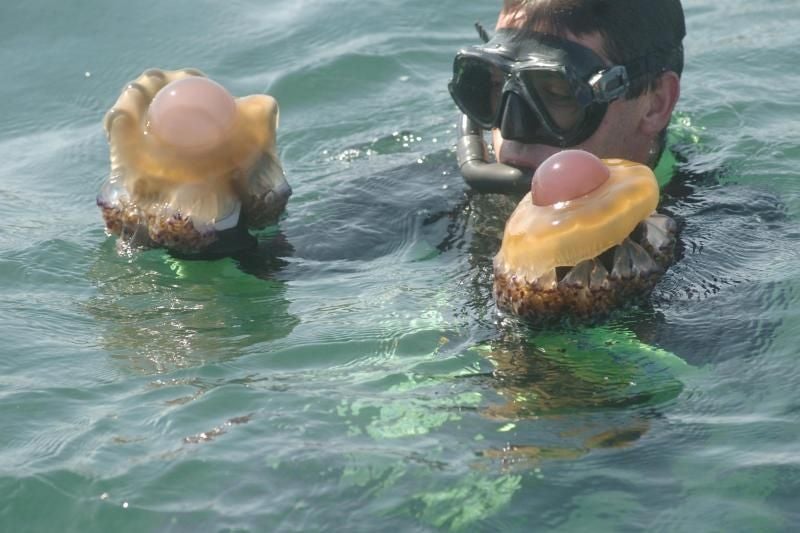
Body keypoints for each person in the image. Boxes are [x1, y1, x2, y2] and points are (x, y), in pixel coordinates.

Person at [449, 0, 686, 193]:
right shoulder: (430, 203)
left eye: (557, 94)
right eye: (495, 83)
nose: (512, 131)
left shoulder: (709, 232)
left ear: (655, 104)